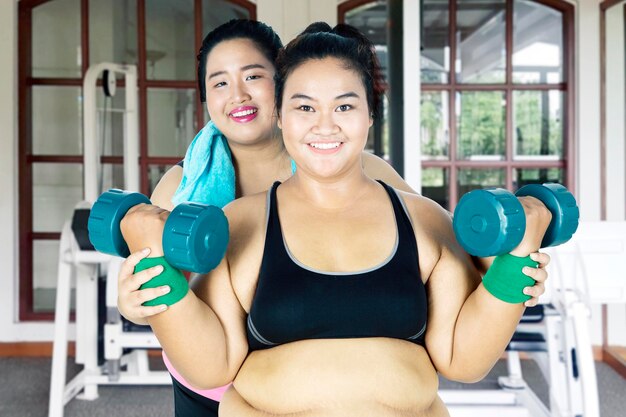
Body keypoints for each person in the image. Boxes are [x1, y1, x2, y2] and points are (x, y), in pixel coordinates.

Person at [119, 22, 552, 416]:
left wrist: (514, 264)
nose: (324, 126)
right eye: (305, 108)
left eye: (344, 107)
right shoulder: (235, 223)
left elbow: (465, 358)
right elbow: (210, 365)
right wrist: (153, 271)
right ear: (282, 115)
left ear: (369, 114)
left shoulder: (422, 219)